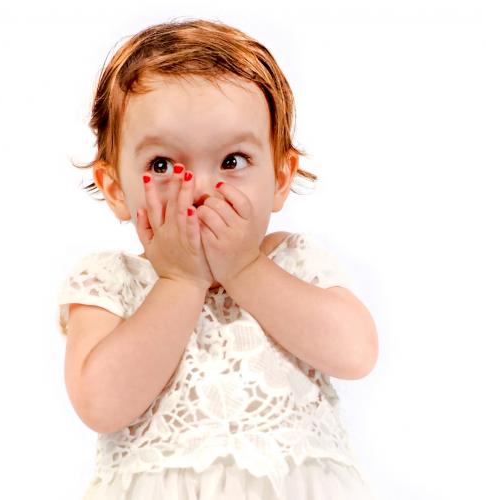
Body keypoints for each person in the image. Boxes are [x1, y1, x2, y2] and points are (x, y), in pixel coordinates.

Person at [57, 18, 379, 500]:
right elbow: (100, 404)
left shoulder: (292, 261)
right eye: (162, 165)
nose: (201, 188)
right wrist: (180, 280)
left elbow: (356, 354)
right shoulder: (111, 281)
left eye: (232, 161)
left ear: (280, 178)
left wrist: (245, 268)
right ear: (115, 189)